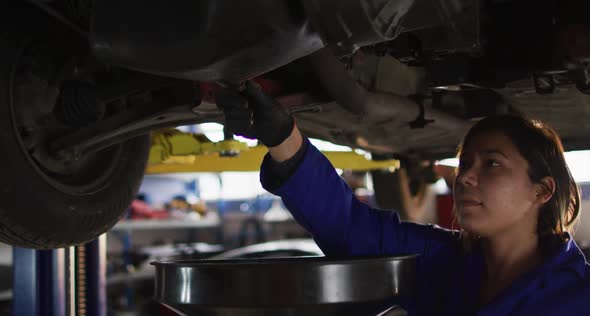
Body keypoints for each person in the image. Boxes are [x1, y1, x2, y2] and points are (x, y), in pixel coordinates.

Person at [216, 81, 589, 315]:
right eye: (464, 164)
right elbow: (348, 225)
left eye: (491, 164)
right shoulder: (444, 258)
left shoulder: (578, 295)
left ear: (541, 190)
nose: (465, 178)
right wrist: (283, 136)